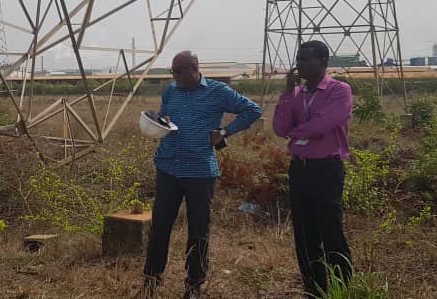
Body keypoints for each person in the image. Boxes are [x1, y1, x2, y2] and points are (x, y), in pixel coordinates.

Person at [137, 51, 262, 299]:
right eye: (172, 71)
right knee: (160, 226)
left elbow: (252, 110)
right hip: (168, 168)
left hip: (199, 171)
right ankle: (151, 281)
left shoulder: (218, 92)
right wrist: (163, 121)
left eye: (178, 71)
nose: (174, 76)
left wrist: (225, 132)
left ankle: (194, 285)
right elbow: (166, 117)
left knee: (198, 230)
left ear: (194, 68)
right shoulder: (171, 90)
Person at [272, 40, 353, 296]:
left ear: (323, 62)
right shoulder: (296, 95)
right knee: (305, 236)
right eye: (299, 59)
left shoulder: (339, 91)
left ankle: (341, 289)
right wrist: (286, 92)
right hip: (300, 169)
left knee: (330, 231)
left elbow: (322, 124)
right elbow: (279, 128)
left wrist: (295, 134)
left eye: (307, 59)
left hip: (326, 169)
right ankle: (314, 290)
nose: (300, 64)